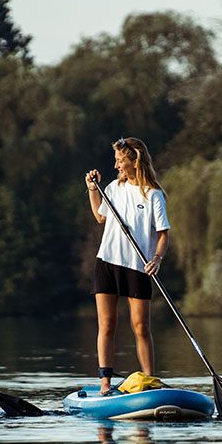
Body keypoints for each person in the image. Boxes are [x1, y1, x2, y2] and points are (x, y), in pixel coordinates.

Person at [85, 137, 170, 395]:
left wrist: (156, 259)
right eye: (116, 161)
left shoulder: (153, 194)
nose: (116, 166)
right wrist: (91, 189)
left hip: (139, 266)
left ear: (135, 162)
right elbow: (100, 216)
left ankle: (150, 381)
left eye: (121, 161)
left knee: (141, 327)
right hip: (107, 263)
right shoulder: (112, 188)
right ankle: (105, 383)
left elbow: (163, 234)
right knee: (107, 325)